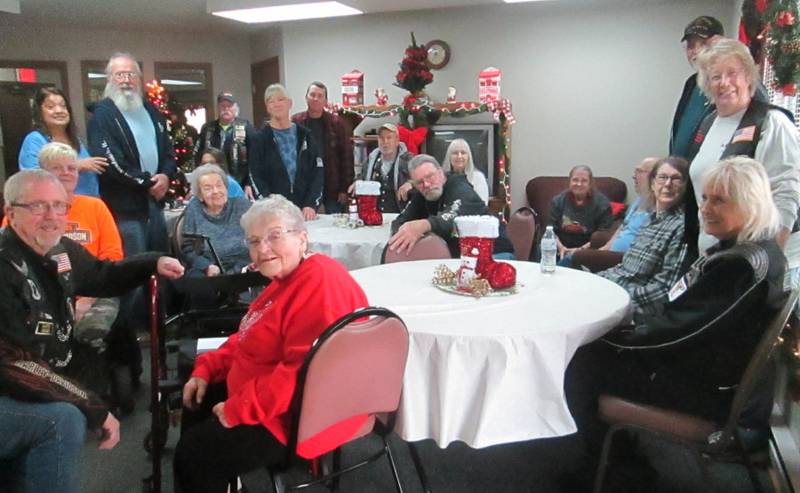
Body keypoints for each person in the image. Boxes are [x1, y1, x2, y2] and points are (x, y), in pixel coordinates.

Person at [564, 157, 787, 491]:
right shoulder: (754, 251)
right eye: (706, 198)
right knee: (594, 352)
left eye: (719, 200)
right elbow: (684, 323)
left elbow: (678, 333)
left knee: (581, 363)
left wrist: (616, 340)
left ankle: (618, 471)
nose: (706, 208)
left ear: (749, 204)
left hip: (703, 389)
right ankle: (621, 458)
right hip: (707, 373)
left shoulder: (740, 266)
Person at [0, 169, 184, 493]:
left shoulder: (59, 251)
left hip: (26, 386)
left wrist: (152, 262)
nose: (52, 216)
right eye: (39, 206)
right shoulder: (4, 266)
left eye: (60, 206)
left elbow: (102, 275)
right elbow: (15, 363)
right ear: (10, 212)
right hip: (9, 387)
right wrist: (91, 405)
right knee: (61, 421)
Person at [173, 194, 368, 492]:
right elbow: (251, 336)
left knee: (194, 455)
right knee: (196, 401)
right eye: (253, 241)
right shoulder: (285, 279)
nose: (262, 249)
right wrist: (207, 368)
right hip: (269, 394)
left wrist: (239, 409)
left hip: (296, 416)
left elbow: (302, 373)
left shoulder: (319, 284)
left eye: (274, 236)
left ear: (302, 239)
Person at [87, 51, 177, 389]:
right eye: (119, 74)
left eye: (131, 74)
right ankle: (124, 347)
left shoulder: (150, 111)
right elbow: (110, 160)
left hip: (154, 206)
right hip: (126, 209)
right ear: (109, 79)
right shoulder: (103, 115)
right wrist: (147, 182)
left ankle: (158, 333)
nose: (126, 80)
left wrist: (166, 176)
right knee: (131, 280)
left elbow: (167, 151)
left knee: (160, 268)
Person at [684, 38, 800, 259]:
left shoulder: (771, 122)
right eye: (715, 76)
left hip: (756, 256)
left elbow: (785, 195)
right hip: (714, 252)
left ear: (748, 77)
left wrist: (768, 259)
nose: (724, 83)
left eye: (732, 73)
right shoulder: (708, 123)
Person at [37, 143, 125, 399]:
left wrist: (86, 300)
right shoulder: (27, 211)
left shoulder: (95, 207)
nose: (66, 173)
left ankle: (91, 400)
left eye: (71, 168)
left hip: (93, 290)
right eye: (57, 168)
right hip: (42, 295)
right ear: (43, 173)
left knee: (89, 330)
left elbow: (112, 256)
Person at [597, 157, 689, 317]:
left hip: (628, 306)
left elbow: (665, 289)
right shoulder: (649, 220)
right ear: (652, 183)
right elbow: (624, 269)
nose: (667, 184)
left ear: (685, 186)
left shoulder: (681, 227)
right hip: (611, 288)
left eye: (676, 179)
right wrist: (595, 281)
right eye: (662, 177)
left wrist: (615, 299)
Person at [389, 154, 514, 258]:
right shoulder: (424, 193)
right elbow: (401, 221)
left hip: (495, 254)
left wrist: (424, 225)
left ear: (441, 173)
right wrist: (403, 231)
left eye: (430, 177)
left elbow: (454, 218)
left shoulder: (460, 187)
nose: (426, 184)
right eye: (419, 182)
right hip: (460, 258)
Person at [249, 84, 323, 221]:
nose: (276, 104)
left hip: (305, 212)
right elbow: (256, 176)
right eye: (271, 101)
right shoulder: (259, 139)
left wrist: (310, 204)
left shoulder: (306, 135)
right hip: (273, 214)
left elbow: (317, 172)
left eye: (281, 99)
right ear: (267, 107)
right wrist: (269, 205)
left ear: (290, 103)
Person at [570, 157, 657, 271]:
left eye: (639, 172)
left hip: (628, 259)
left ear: (654, 176)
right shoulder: (638, 201)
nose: (634, 176)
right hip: (612, 253)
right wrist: (605, 248)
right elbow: (622, 227)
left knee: (574, 257)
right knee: (570, 259)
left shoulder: (657, 206)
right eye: (635, 171)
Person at [18, 87, 108, 197]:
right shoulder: (35, 139)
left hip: (87, 205)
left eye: (63, 106)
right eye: (50, 107)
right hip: (56, 206)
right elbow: (33, 177)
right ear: (39, 112)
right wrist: (77, 165)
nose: (59, 110)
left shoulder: (74, 139)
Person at [292, 81, 354, 213]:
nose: (316, 99)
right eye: (312, 95)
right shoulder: (296, 122)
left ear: (325, 100)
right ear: (306, 97)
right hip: (304, 188)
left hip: (332, 187)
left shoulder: (337, 124)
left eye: (320, 96)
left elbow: (346, 157)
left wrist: (344, 188)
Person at [182, 164, 251, 278]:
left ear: (226, 188)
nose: (215, 191)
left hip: (244, 266)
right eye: (208, 188)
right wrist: (206, 266)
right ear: (200, 195)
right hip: (211, 268)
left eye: (219, 185)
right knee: (196, 280)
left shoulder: (242, 206)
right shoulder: (194, 209)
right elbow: (188, 249)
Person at [669, 15, 724, 159]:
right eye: (690, 45)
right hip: (681, 172)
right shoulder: (691, 83)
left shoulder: (728, 83)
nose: (696, 51)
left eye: (704, 44)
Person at [193, 92, 255, 194]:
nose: (226, 109)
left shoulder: (245, 126)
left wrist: (249, 183)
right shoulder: (208, 129)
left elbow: (254, 157)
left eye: (229, 106)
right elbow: (197, 156)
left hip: (240, 184)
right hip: (212, 185)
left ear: (235, 108)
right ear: (218, 107)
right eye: (223, 106)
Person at [548, 165, 613, 258]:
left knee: (570, 260)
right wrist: (561, 248)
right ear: (569, 182)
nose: (579, 184)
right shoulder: (558, 201)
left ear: (590, 184)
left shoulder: (602, 204)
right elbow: (550, 230)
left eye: (584, 181)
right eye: (575, 180)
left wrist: (579, 251)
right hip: (559, 247)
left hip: (587, 250)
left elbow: (602, 236)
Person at [352, 123, 414, 213]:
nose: (385, 142)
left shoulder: (408, 159)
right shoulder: (370, 160)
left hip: (400, 214)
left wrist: (411, 184)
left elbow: (422, 179)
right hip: (374, 215)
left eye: (389, 138)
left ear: (397, 140)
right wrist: (358, 182)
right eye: (381, 138)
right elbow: (362, 176)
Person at [442, 138, 489, 204]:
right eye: (455, 153)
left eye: (463, 153)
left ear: (469, 156)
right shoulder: (442, 178)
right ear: (449, 156)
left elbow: (483, 204)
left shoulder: (478, 177)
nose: (459, 156)